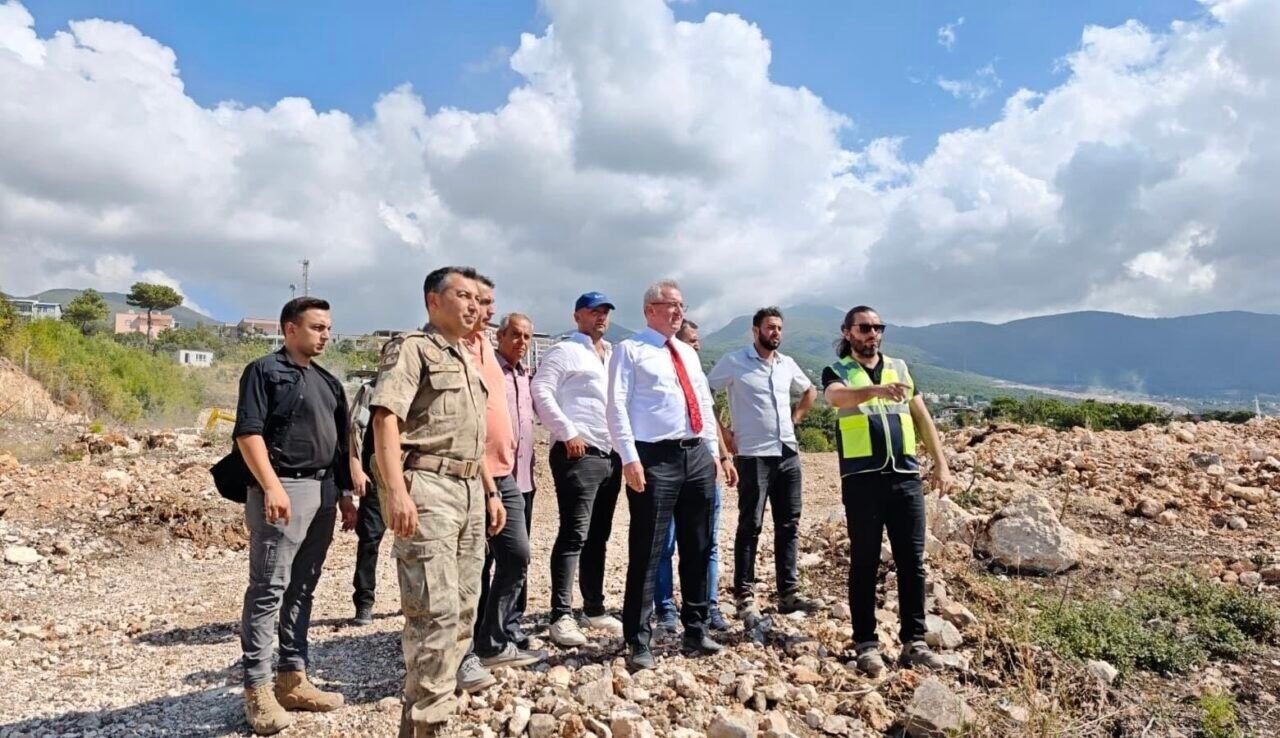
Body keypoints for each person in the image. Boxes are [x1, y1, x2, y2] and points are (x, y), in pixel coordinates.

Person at [370, 266, 506, 737]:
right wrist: (397, 491)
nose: (474, 306)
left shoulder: (465, 356)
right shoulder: (413, 348)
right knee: (434, 615)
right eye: (463, 296)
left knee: (464, 611)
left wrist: (489, 491)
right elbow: (385, 420)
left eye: (478, 299)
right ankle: (429, 725)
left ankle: (425, 722)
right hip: (428, 488)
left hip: (468, 491)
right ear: (433, 300)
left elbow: (470, 435)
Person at [232, 296, 351, 735]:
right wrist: (271, 486)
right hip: (283, 488)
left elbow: (342, 444)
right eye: (317, 327)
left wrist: (345, 494)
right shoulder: (264, 371)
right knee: (269, 588)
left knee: (303, 587)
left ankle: (292, 677)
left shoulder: (327, 381)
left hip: (323, 490)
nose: (325, 335)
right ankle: (257, 688)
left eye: (328, 328)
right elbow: (248, 433)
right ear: (290, 329)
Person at [822, 305, 954, 677]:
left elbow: (921, 417)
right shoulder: (838, 371)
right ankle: (866, 643)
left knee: (912, 561)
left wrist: (941, 463)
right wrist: (876, 390)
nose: (873, 333)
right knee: (864, 561)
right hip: (862, 478)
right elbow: (836, 398)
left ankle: (915, 641)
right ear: (847, 332)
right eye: (865, 327)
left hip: (905, 476)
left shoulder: (899, 368)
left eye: (878, 327)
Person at [607, 279, 732, 671]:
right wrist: (629, 458)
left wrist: (712, 452)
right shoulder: (630, 350)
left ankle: (696, 627)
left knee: (698, 544)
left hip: (695, 455)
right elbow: (616, 406)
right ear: (650, 310)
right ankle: (638, 638)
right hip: (654, 457)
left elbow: (703, 404)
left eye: (682, 305)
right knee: (649, 548)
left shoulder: (687, 353)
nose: (678, 312)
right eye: (671, 305)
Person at [708, 307, 820, 624]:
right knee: (751, 524)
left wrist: (796, 418)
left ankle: (789, 592)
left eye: (780, 328)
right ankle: (744, 593)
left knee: (789, 524)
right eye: (771, 327)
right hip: (752, 453)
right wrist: (722, 432)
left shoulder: (786, 364)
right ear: (755, 330)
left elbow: (810, 390)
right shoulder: (734, 361)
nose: (776, 333)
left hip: (787, 452)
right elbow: (705, 392)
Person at [460, 277, 544, 684]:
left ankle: (492, 639)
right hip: (471, 473)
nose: (486, 309)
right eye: (479, 301)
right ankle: (466, 648)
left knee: (516, 555)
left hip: (507, 472)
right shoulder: (456, 349)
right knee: (473, 562)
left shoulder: (500, 362)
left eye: (489, 303)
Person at [531, 292, 625, 647]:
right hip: (578, 452)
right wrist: (567, 431)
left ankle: (594, 607)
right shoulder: (564, 351)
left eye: (605, 312)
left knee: (599, 534)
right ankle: (561, 615)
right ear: (577, 316)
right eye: (593, 311)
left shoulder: (613, 354)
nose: (601, 317)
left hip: (610, 454)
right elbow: (541, 389)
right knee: (574, 533)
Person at [653, 319, 736, 634]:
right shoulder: (661, 373)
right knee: (665, 544)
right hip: (671, 467)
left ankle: (707, 604)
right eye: (691, 340)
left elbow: (709, 419)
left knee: (707, 542)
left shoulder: (697, 373)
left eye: (697, 340)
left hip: (704, 466)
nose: (697, 345)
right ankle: (665, 608)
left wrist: (724, 458)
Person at [494, 312, 538, 646]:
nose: (521, 342)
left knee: (519, 556)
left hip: (524, 479)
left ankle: (511, 622)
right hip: (495, 478)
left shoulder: (525, 376)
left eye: (526, 337)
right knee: (493, 555)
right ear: (500, 336)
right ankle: (483, 626)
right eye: (515, 335)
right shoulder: (490, 372)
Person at [345, 372, 384, 626]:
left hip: (412, 477)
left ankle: (415, 601)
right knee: (369, 540)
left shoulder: (418, 386)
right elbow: (355, 432)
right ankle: (364, 602)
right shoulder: (371, 391)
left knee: (416, 544)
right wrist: (356, 469)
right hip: (375, 476)